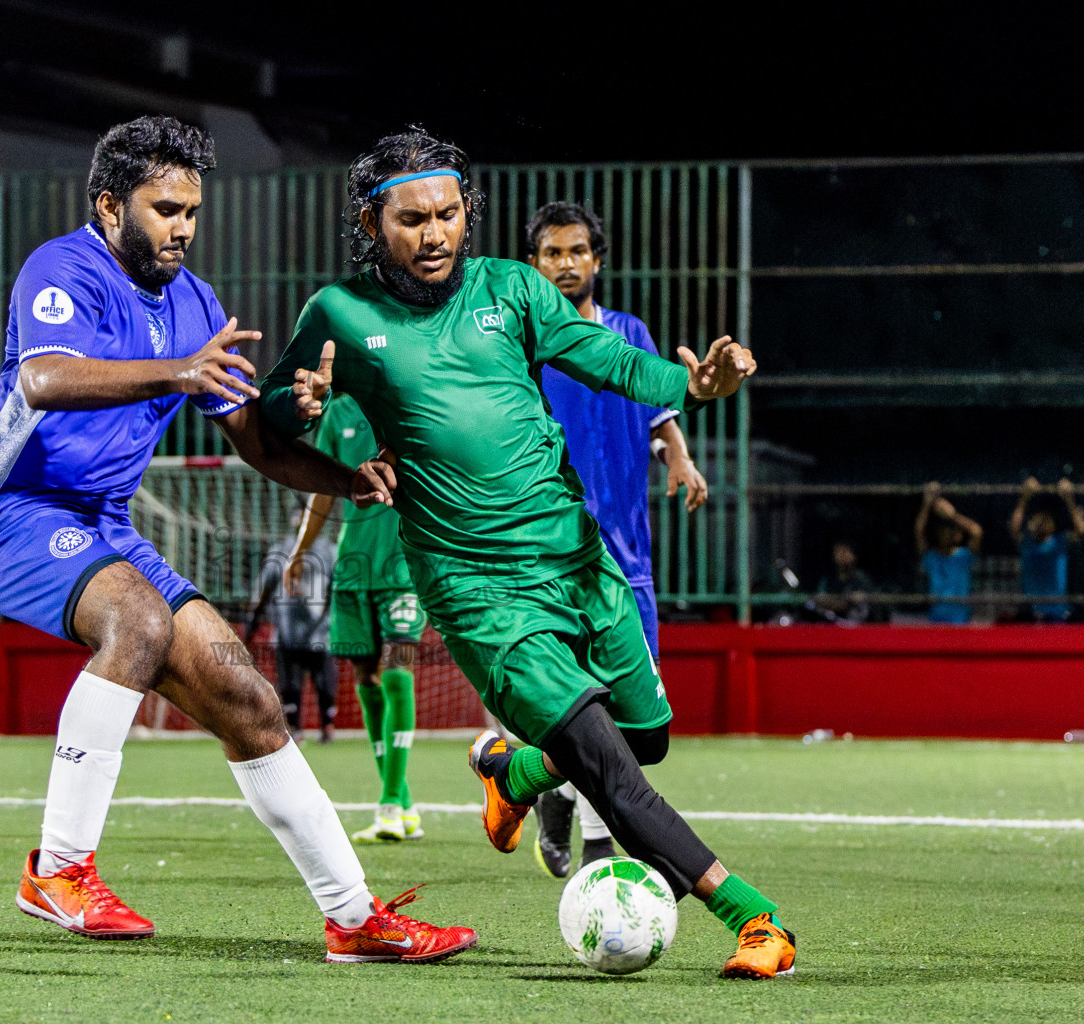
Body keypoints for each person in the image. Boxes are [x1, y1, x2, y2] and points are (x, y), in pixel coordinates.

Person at [259, 129, 793, 979]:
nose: (434, 234)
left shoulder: (512, 288)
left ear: (468, 212)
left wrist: (692, 385)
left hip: (576, 557)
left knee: (646, 738)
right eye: (411, 219)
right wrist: (300, 406)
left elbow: (605, 357)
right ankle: (755, 918)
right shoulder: (339, 313)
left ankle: (514, 772)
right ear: (371, 221)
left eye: (448, 214)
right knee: (610, 766)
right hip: (476, 587)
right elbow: (268, 421)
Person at [0, 116, 473, 962]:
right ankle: (59, 870)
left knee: (250, 700)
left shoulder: (193, 303)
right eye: (164, 209)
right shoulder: (62, 267)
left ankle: (353, 918)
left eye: (191, 209)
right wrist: (179, 372)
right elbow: (43, 378)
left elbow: (255, 440)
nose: (183, 226)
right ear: (110, 205)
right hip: (10, 515)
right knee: (141, 625)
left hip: (104, 530)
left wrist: (337, 462)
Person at [520, 201, 710, 878]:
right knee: (570, 706)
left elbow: (659, 415)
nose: (566, 263)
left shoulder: (629, 333)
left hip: (626, 559)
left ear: (597, 261)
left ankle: (558, 798)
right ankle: (599, 847)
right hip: (548, 556)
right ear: (533, 264)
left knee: (634, 722)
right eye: (552, 252)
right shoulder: (526, 339)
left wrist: (679, 458)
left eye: (577, 251)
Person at [287, 391, 430, 843]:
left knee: (398, 672)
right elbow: (323, 492)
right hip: (353, 563)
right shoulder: (339, 414)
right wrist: (299, 552)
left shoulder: (409, 396)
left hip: (405, 561)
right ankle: (403, 802)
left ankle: (388, 803)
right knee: (367, 679)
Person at [247, 508, 338, 742]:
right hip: (288, 630)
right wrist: (252, 622)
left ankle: (327, 726)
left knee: (324, 682)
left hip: (320, 631)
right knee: (290, 684)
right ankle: (295, 728)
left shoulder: (329, 552)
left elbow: (340, 590)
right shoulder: (280, 551)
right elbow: (264, 588)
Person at [1008, 477, 1084, 622]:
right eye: (1036, 519)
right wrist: (1025, 497)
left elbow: (1081, 529)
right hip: (1031, 614)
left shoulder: (1060, 541)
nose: (1041, 522)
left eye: (1045, 519)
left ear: (1053, 525)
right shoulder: (1026, 542)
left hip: (1057, 613)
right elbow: (1014, 527)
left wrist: (1069, 498)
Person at [914, 482, 983, 624]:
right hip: (936, 621)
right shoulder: (931, 557)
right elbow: (918, 532)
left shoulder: (964, 556)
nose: (944, 534)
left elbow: (976, 531)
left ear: (956, 535)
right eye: (941, 530)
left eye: (949, 530)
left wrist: (952, 515)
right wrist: (927, 503)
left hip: (961, 621)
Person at [813, 541, 877, 624]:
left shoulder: (862, 578)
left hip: (856, 623)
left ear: (853, 555)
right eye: (838, 552)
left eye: (845, 551)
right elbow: (819, 598)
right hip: (831, 622)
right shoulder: (827, 579)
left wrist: (860, 598)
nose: (842, 556)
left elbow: (872, 599)